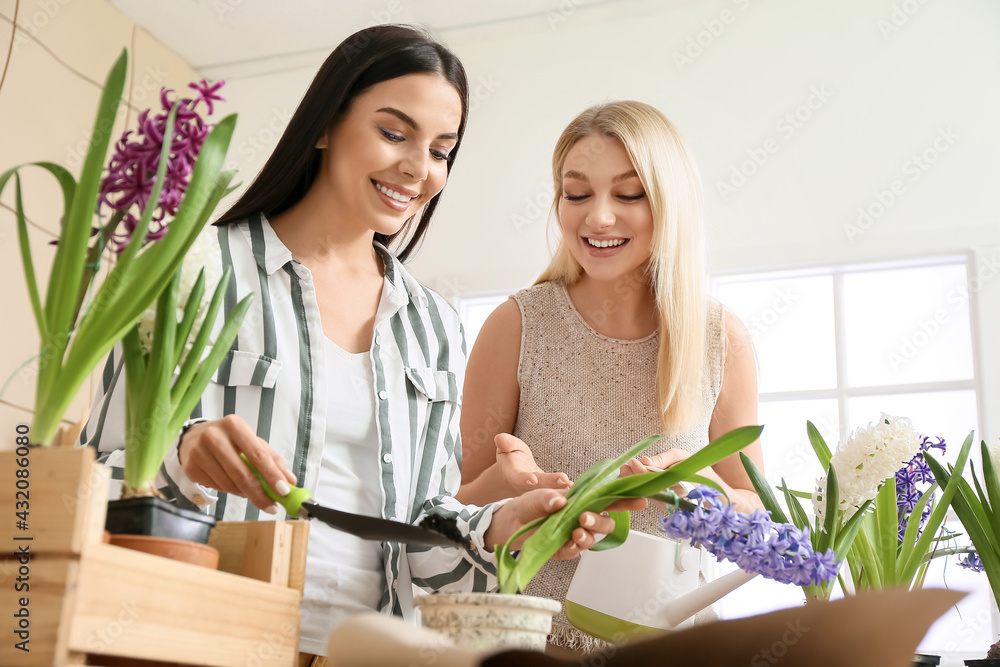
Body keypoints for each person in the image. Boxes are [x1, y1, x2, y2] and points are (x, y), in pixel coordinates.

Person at [79, 25, 640, 662]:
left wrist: (495, 528)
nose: (418, 168)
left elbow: (421, 534)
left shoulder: (431, 323)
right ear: (323, 125)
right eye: (394, 133)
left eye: (441, 150)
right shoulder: (199, 268)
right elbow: (90, 478)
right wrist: (183, 452)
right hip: (208, 635)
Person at [457, 101, 764, 651]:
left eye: (628, 194)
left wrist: (711, 495)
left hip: (677, 646)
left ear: (671, 204)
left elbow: (752, 506)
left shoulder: (720, 337)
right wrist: (513, 485)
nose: (597, 217)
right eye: (576, 194)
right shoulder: (516, 325)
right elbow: (462, 509)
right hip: (535, 645)